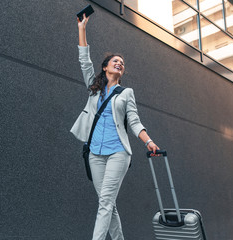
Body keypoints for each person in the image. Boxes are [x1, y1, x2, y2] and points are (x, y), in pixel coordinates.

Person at [70, 13, 160, 240]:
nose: (119, 64)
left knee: (105, 204)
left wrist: (148, 141)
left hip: (118, 152)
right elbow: (84, 60)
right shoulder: (94, 87)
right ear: (105, 67)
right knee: (107, 204)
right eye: (115, 61)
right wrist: (82, 28)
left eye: (122, 63)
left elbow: (134, 121)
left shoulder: (126, 93)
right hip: (95, 154)